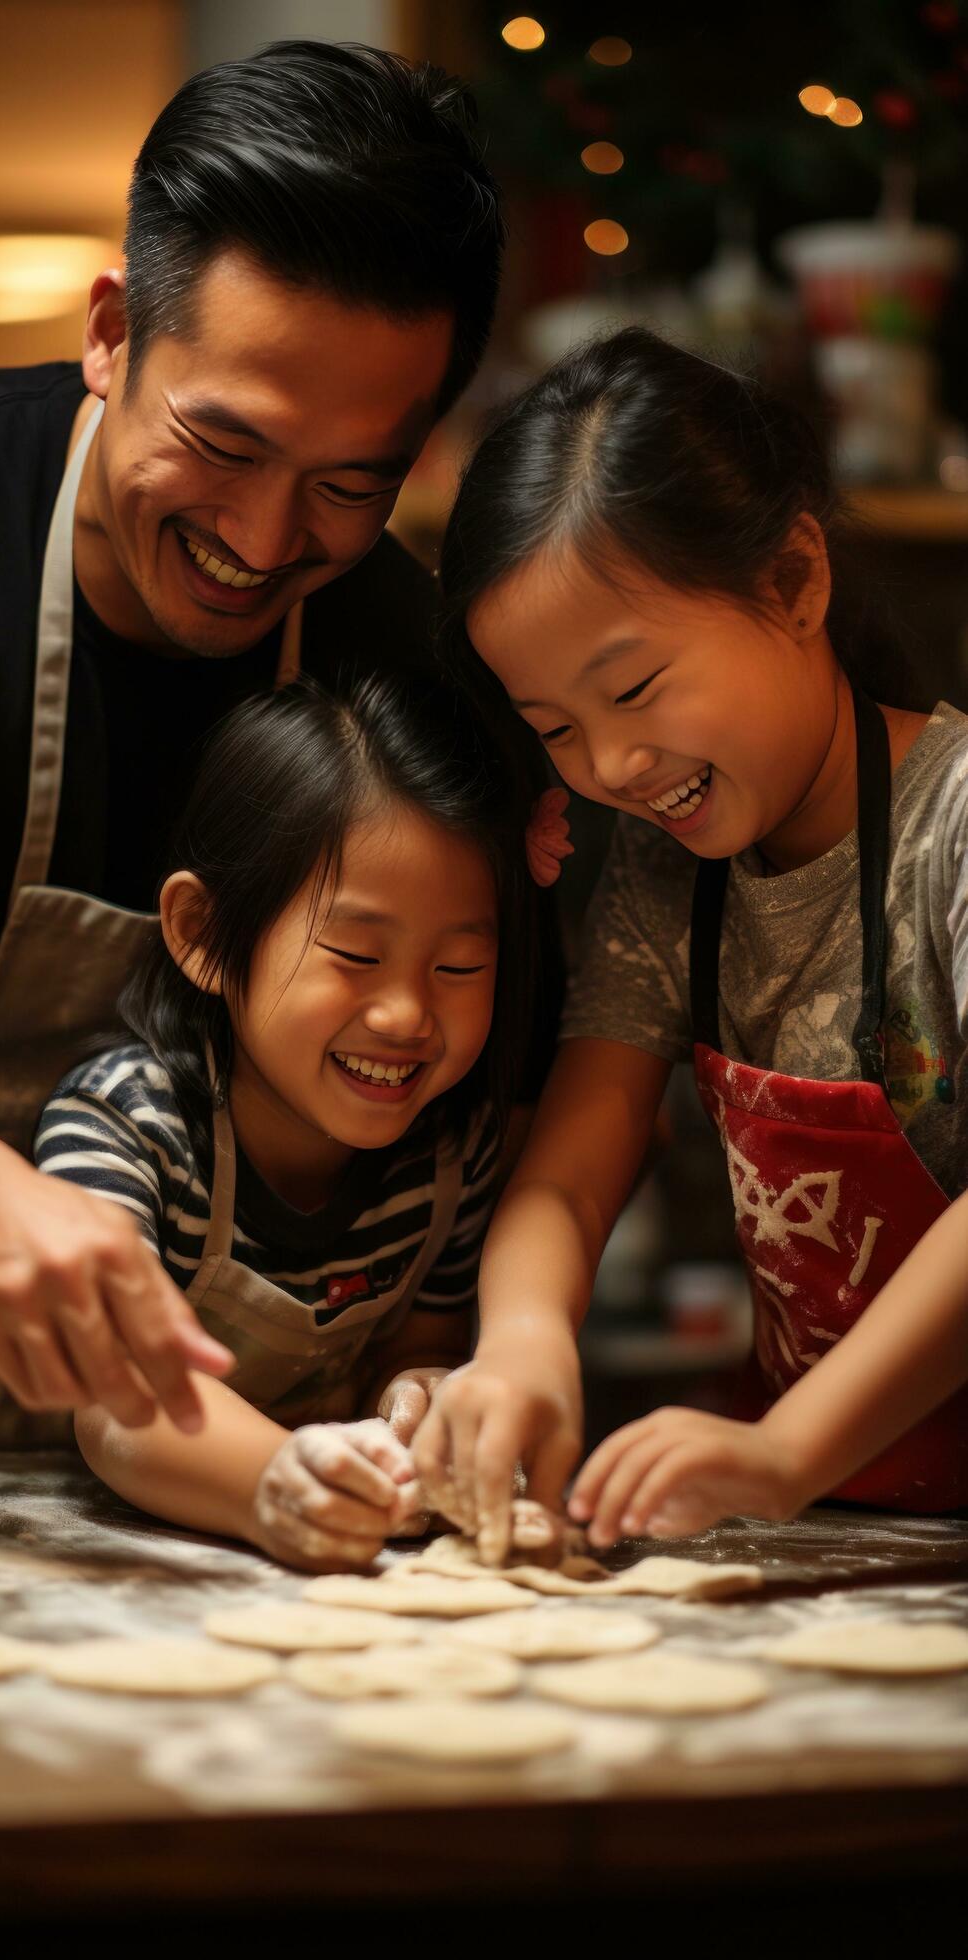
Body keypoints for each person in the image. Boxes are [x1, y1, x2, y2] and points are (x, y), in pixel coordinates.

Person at [0, 40, 505, 1451]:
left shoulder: (391, 649)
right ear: (111, 332)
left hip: (197, 1451)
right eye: (221, 445)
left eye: (351, 485)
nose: (265, 544)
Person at [413, 326, 968, 1561]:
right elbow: (571, 1164)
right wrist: (522, 1346)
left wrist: (787, 1449)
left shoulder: (957, 825)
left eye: (636, 688)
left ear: (793, 582)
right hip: (849, 1531)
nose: (611, 768)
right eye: (554, 727)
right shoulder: (675, 871)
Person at [33, 671, 538, 1569]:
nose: (407, 1016)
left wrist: (421, 1401)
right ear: (203, 935)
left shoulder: (452, 1157)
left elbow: (421, 1346)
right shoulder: (122, 1128)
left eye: (458, 967)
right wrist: (275, 1478)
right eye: (355, 955)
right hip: (91, 1555)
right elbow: (117, 1400)